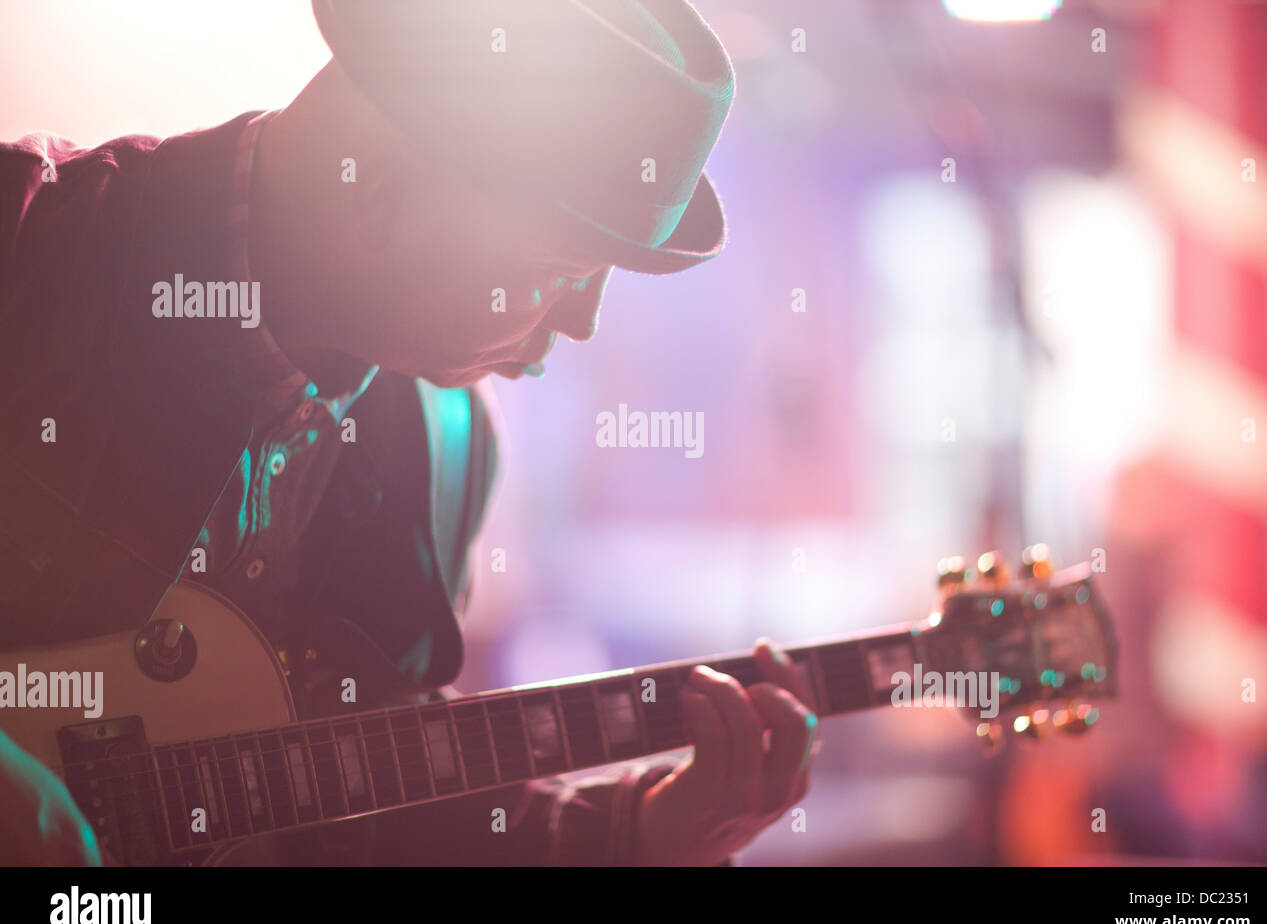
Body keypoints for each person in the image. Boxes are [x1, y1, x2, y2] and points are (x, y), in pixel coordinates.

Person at [0, 0, 817, 866]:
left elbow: (361, 799)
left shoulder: (449, 442)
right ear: (380, 194)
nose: (581, 324)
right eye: (557, 272)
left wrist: (639, 834)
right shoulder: (26, 245)